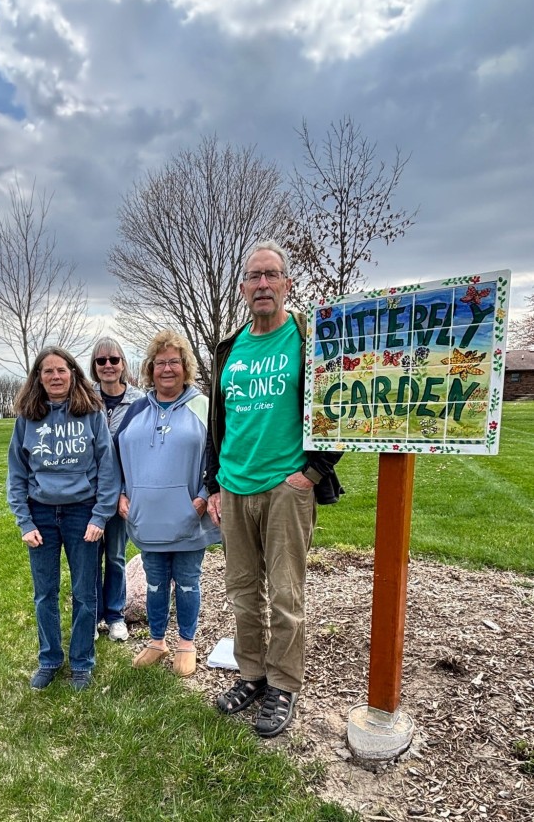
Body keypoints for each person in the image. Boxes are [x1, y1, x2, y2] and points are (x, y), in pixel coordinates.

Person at [206, 242, 343, 736]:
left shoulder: (307, 340)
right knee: (243, 592)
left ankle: (283, 685)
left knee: (285, 595)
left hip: (287, 487)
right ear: (242, 288)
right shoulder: (230, 349)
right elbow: (217, 424)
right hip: (235, 488)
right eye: (254, 277)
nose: (263, 284)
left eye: (272, 275)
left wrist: (313, 472)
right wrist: (214, 483)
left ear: (286, 284)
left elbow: (338, 408)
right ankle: (252, 676)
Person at [7, 346, 120, 692]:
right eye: (47, 372)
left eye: (61, 370)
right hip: (40, 514)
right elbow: (16, 474)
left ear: (73, 373)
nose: (55, 377)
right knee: (45, 593)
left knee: (85, 593)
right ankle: (50, 659)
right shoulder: (28, 417)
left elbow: (107, 469)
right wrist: (25, 522)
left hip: (82, 513)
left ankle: (82, 663)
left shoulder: (92, 413)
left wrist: (100, 516)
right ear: (38, 379)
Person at [116, 330, 220, 677]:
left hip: (189, 516)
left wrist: (205, 497)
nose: (167, 369)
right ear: (150, 368)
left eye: (174, 361)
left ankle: (186, 643)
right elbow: (114, 456)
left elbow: (219, 453)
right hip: (146, 518)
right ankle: (157, 641)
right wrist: (120, 494)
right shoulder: (135, 411)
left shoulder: (204, 406)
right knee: (155, 581)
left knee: (188, 580)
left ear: (185, 366)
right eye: (160, 363)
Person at [89, 337, 144, 642]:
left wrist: (124, 491)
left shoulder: (139, 401)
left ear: (123, 363)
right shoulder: (83, 398)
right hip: (88, 494)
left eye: (114, 360)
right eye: (101, 361)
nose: (108, 365)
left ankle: (115, 615)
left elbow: (138, 450)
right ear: (94, 366)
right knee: (89, 556)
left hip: (122, 491)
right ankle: (93, 614)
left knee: (115, 556)